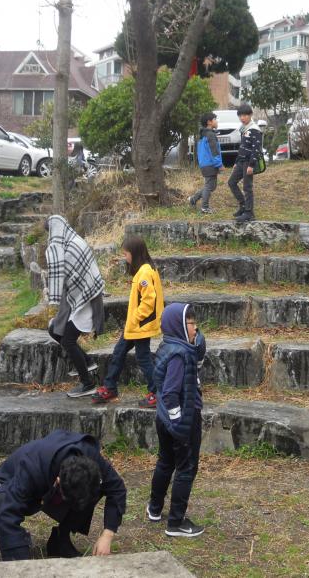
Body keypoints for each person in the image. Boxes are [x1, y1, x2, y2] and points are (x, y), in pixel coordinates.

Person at [0, 429, 127, 561]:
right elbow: (7, 515)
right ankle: (16, 543)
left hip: (46, 487)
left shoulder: (90, 457)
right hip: (5, 485)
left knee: (88, 490)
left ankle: (60, 541)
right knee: (0, 503)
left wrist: (107, 534)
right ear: (58, 481)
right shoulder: (31, 469)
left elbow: (117, 488)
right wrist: (20, 566)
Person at [148, 303, 206, 538]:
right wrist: (179, 421)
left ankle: (154, 508)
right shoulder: (180, 355)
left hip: (163, 417)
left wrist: (171, 418)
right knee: (186, 468)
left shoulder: (168, 346)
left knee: (165, 462)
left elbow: (198, 353)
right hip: (182, 419)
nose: (195, 328)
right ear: (180, 326)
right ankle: (176, 522)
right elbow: (171, 393)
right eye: (191, 324)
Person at [92, 235, 164, 407]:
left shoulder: (145, 272)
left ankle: (157, 392)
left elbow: (149, 301)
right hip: (135, 326)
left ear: (135, 253)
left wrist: (135, 317)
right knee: (119, 352)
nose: (125, 257)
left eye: (126, 254)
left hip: (140, 325)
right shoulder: (145, 269)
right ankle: (110, 387)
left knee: (143, 357)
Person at [45, 215, 105, 398]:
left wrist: (53, 296)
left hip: (87, 299)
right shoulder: (72, 241)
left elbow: (61, 273)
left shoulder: (70, 247)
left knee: (68, 341)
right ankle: (87, 361)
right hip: (79, 299)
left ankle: (88, 384)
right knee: (54, 330)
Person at [227, 103, 263, 223]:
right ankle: (243, 205)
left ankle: (249, 213)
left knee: (247, 187)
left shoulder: (255, 130)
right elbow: (242, 147)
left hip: (248, 162)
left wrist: (251, 165)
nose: (242, 118)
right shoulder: (243, 129)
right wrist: (236, 162)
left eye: (245, 115)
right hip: (241, 162)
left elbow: (256, 149)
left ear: (250, 115)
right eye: (240, 115)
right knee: (231, 182)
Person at [188, 112, 223, 214]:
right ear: (209, 122)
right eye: (215, 119)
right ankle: (205, 208)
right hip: (210, 164)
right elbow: (214, 151)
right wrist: (219, 164)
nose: (217, 121)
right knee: (209, 186)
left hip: (204, 164)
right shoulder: (210, 135)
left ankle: (193, 199)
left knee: (211, 186)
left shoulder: (203, 134)